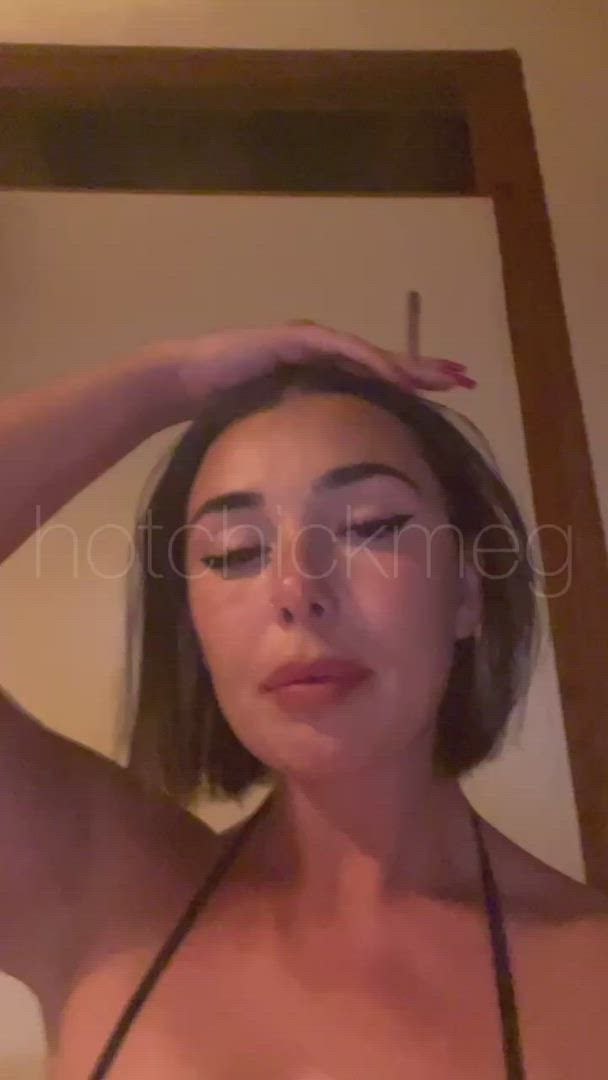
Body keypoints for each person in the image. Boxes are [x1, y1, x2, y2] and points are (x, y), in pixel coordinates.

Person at [0, 321, 606, 1080]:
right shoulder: (97, 899)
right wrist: (171, 381)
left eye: (370, 526)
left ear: (465, 592)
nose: (296, 589)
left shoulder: (592, 972)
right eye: (236, 552)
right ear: (194, 625)